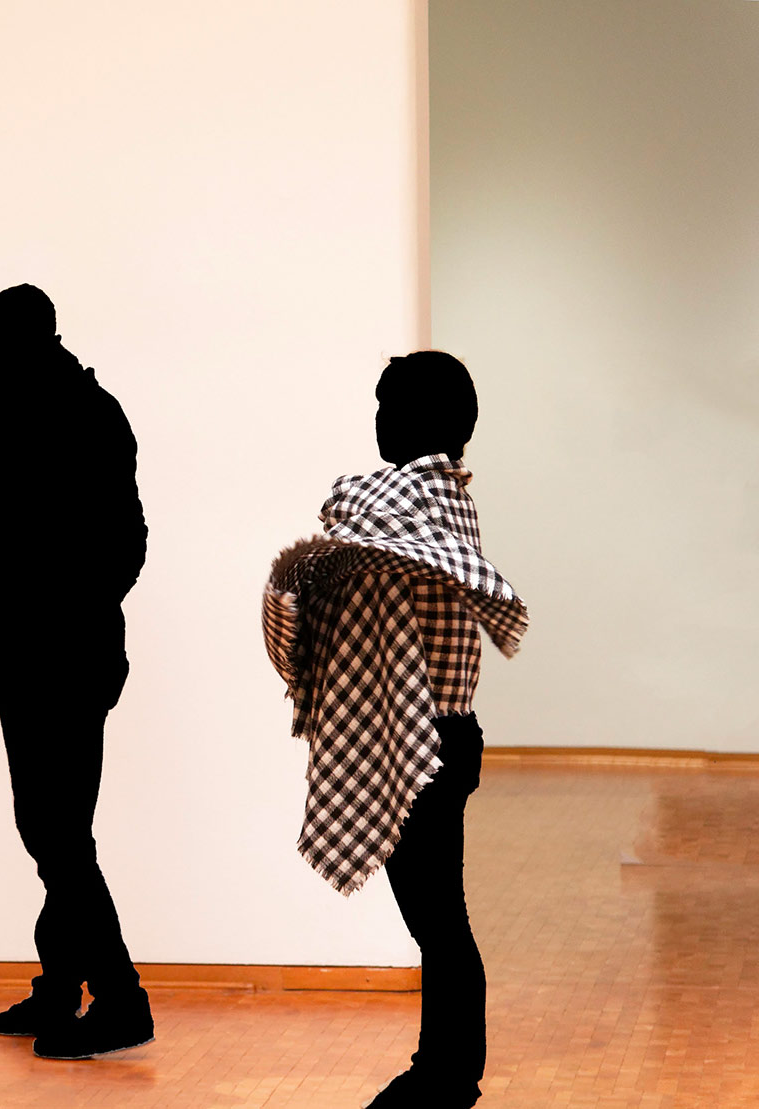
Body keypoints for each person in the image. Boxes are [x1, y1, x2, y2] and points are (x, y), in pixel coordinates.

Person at [260, 351, 529, 1108]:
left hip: (423, 740)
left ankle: (446, 1075)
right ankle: (445, 1069)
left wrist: (304, 576)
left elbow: (351, 530)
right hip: (440, 734)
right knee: (438, 916)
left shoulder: (418, 499)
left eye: (386, 408)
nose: (377, 422)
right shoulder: (445, 500)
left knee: (438, 918)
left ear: (416, 419)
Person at [0, 284, 154, 1061]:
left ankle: (121, 998)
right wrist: (0, 620)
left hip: (73, 652)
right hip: (19, 646)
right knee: (48, 825)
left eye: (3, 342)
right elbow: (8, 535)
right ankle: (60, 986)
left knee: (56, 829)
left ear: (40, 339)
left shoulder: (92, 414)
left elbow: (129, 540)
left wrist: (72, 613)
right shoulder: (3, 408)